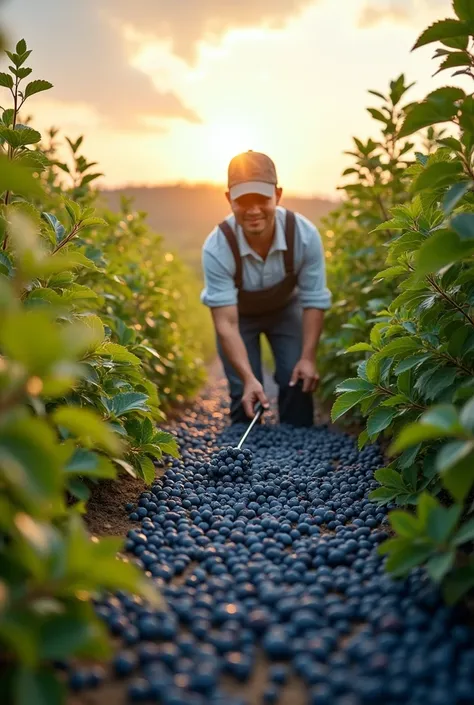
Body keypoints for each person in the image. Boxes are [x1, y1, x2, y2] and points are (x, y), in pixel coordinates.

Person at [200, 149, 331, 426]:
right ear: (228, 200)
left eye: (262, 199)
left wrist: (308, 357)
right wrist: (249, 378)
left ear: (278, 195)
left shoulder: (304, 236)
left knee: (296, 380)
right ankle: (246, 457)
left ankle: (297, 447)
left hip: (286, 310)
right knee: (244, 395)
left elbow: (314, 300)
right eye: (243, 201)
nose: (254, 210)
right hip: (240, 319)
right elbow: (225, 323)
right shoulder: (217, 247)